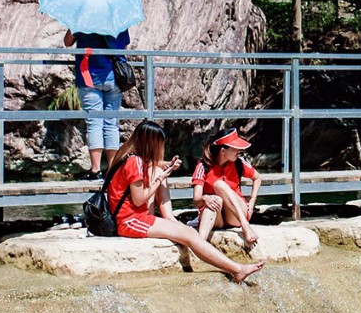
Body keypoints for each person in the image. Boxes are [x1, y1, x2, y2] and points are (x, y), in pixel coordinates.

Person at [100, 120, 261, 281]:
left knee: (190, 233)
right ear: (151, 143)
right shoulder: (134, 163)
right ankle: (237, 269)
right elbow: (138, 199)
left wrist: (165, 166)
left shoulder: (130, 156)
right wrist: (160, 178)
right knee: (190, 236)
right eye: (160, 144)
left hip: (138, 217)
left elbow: (150, 167)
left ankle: (233, 267)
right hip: (130, 221)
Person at [65, 25, 131, 177]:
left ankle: (95, 170)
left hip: (89, 76)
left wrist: (73, 24)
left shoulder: (83, 20)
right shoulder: (118, 20)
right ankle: (112, 170)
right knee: (111, 123)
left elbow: (67, 42)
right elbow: (125, 46)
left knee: (94, 122)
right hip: (114, 77)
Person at [190, 128, 263, 249]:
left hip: (236, 215)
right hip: (217, 217)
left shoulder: (239, 163)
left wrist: (252, 200)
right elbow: (196, 201)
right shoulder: (203, 167)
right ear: (223, 151)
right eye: (235, 148)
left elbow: (257, 178)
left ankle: (245, 226)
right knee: (213, 200)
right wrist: (205, 198)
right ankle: (199, 246)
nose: (238, 151)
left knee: (219, 185)